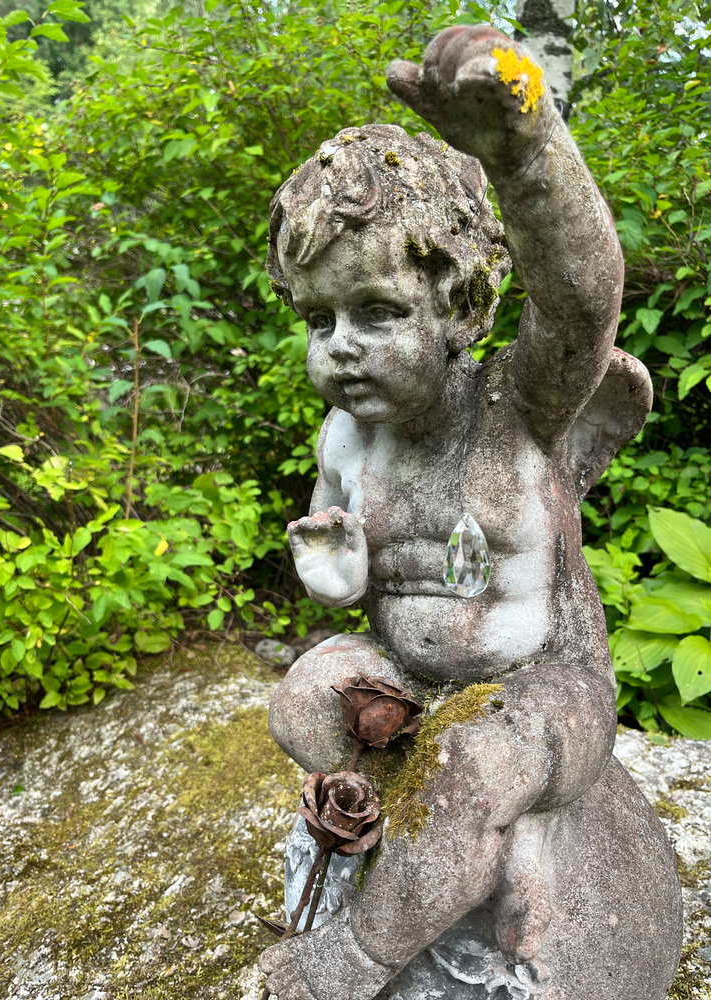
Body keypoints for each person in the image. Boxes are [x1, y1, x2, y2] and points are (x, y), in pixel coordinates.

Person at [260, 25, 682, 1000]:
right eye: (319, 320)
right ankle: (402, 825)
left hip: (546, 691)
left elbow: (581, 303)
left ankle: (362, 954)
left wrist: (527, 158)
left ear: (458, 307)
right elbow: (341, 568)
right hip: (412, 677)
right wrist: (334, 570)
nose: (341, 346)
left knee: (475, 761)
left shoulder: (522, 409)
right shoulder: (347, 440)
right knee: (302, 697)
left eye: (376, 312)